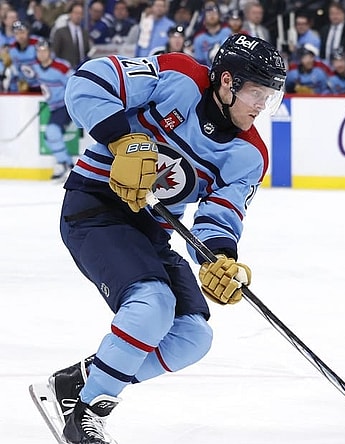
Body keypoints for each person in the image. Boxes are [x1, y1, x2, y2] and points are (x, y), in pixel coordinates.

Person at [32, 33, 286, 444]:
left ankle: (75, 383)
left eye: (269, 96)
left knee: (192, 337)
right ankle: (86, 416)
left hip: (150, 230)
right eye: (256, 93)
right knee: (153, 303)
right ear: (226, 81)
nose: (261, 106)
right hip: (95, 207)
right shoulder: (178, 76)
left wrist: (218, 258)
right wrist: (123, 138)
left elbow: (218, 217)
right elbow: (88, 81)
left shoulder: (249, 155)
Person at [26, 39, 75, 180]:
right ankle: (65, 164)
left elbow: (75, 83)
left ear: (50, 52)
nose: (41, 54)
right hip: (53, 107)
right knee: (48, 138)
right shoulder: (36, 67)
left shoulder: (61, 66)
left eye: (44, 51)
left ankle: (66, 165)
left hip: (65, 105)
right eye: (39, 51)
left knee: (52, 132)